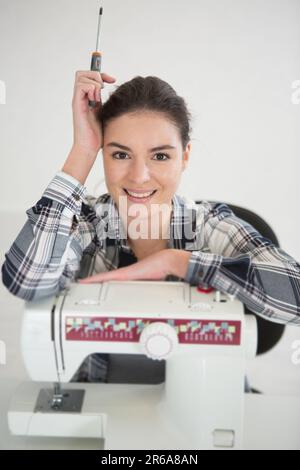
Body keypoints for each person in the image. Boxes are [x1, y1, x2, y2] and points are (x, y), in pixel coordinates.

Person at [2, 70, 300, 384]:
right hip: (106, 409)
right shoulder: (88, 224)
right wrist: (82, 150)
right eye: (120, 154)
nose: (139, 176)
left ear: (184, 157)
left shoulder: (210, 226)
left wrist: (179, 262)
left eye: (159, 156)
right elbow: (26, 281)